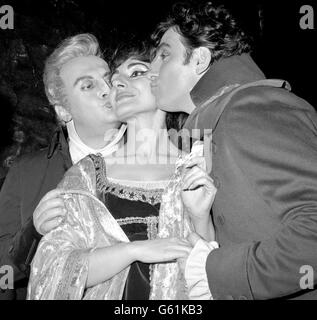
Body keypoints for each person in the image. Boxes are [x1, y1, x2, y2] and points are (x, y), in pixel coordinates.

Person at [149, 1, 317, 299]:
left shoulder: (251, 107)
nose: (152, 70)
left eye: (164, 55)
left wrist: (216, 271)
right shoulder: (214, 123)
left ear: (200, 60)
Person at [28, 40, 216, 300]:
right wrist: (134, 251)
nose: (115, 85)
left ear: (161, 81)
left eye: (136, 73)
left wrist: (201, 217)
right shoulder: (87, 175)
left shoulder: (197, 166)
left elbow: (212, 274)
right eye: (114, 81)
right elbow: (53, 268)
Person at [0, 33, 126, 300]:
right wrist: (32, 234)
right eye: (88, 86)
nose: (107, 89)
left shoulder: (160, 161)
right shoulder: (26, 173)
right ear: (63, 111)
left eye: (109, 79)